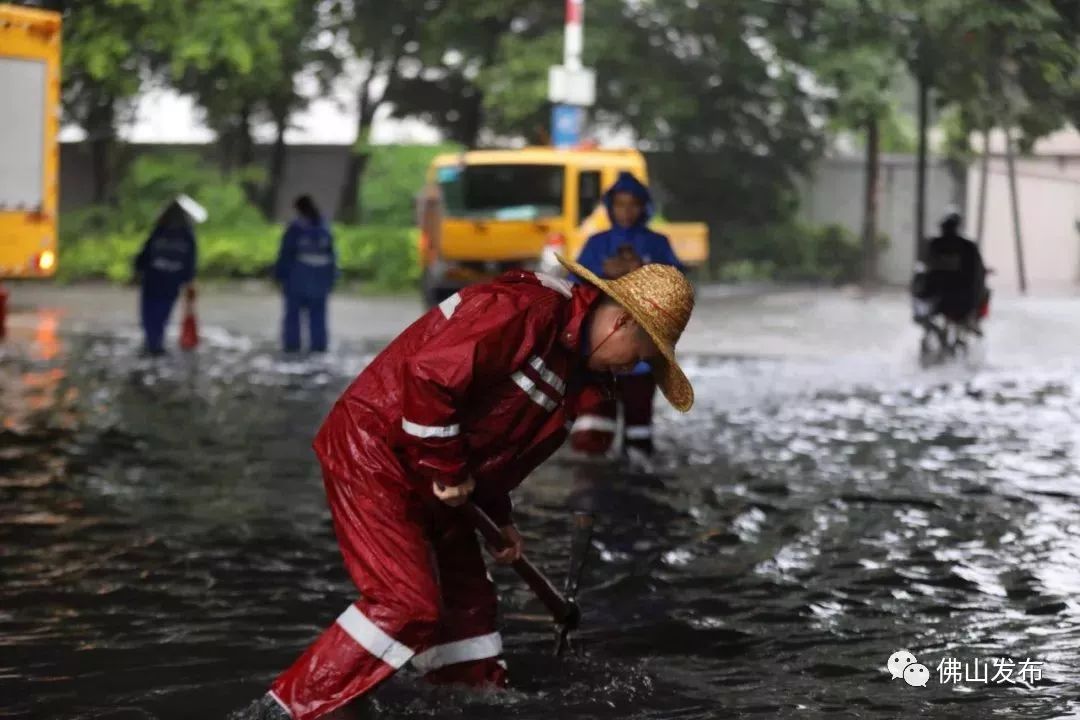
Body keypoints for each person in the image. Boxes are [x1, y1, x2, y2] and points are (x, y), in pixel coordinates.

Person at [233, 258, 695, 720]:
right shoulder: (526, 308)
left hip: (441, 476)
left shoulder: (579, 375)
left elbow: (500, 451)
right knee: (406, 604)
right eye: (640, 355)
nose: (633, 368)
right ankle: (280, 712)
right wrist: (449, 472)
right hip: (378, 451)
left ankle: (466, 701)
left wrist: (501, 519)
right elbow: (429, 378)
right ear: (622, 321)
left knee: (470, 613)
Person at [569, 171, 684, 458]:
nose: (626, 211)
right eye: (620, 204)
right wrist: (602, 276)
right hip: (600, 350)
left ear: (643, 207)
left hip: (642, 351)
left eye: (633, 204)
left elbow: (676, 289)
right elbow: (575, 290)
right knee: (592, 431)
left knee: (638, 430)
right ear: (610, 207)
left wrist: (642, 270)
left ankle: (636, 474)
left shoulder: (658, 244)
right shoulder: (596, 244)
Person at [133, 197, 198, 356]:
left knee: (149, 313)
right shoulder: (187, 236)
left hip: (153, 280)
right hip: (171, 282)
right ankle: (156, 341)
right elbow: (190, 262)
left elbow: (145, 254)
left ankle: (152, 341)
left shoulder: (159, 231)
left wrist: (136, 270)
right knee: (162, 312)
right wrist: (188, 281)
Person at [275, 195, 337, 353]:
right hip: (320, 282)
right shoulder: (325, 228)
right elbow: (333, 257)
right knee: (318, 317)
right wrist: (332, 280)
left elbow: (285, 255)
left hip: (297, 280)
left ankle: (292, 346)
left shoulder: (295, 229)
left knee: (293, 317)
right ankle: (319, 347)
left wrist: (279, 276)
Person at [911, 208, 989, 331]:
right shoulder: (968, 247)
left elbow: (923, 268)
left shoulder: (934, 244)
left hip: (938, 298)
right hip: (959, 300)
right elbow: (978, 272)